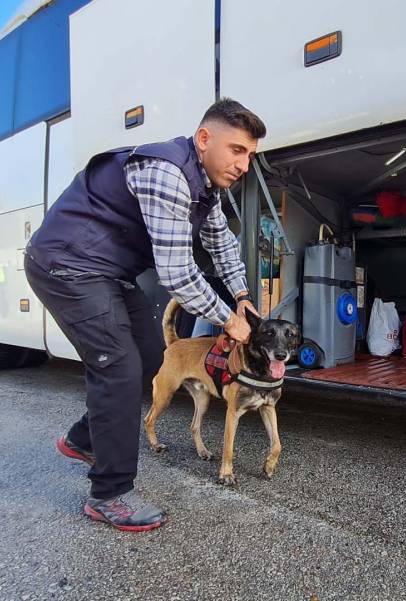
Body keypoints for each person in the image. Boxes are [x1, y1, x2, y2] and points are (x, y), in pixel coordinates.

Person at [24, 98, 267, 532]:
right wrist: (230, 321)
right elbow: (177, 273)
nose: (244, 165)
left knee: (153, 356)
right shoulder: (168, 172)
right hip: (67, 264)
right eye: (237, 150)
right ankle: (109, 494)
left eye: (250, 155)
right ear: (204, 138)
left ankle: (83, 439)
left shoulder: (207, 190)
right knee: (118, 366)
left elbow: (222, 245)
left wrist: (243, 296)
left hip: (108, 272)